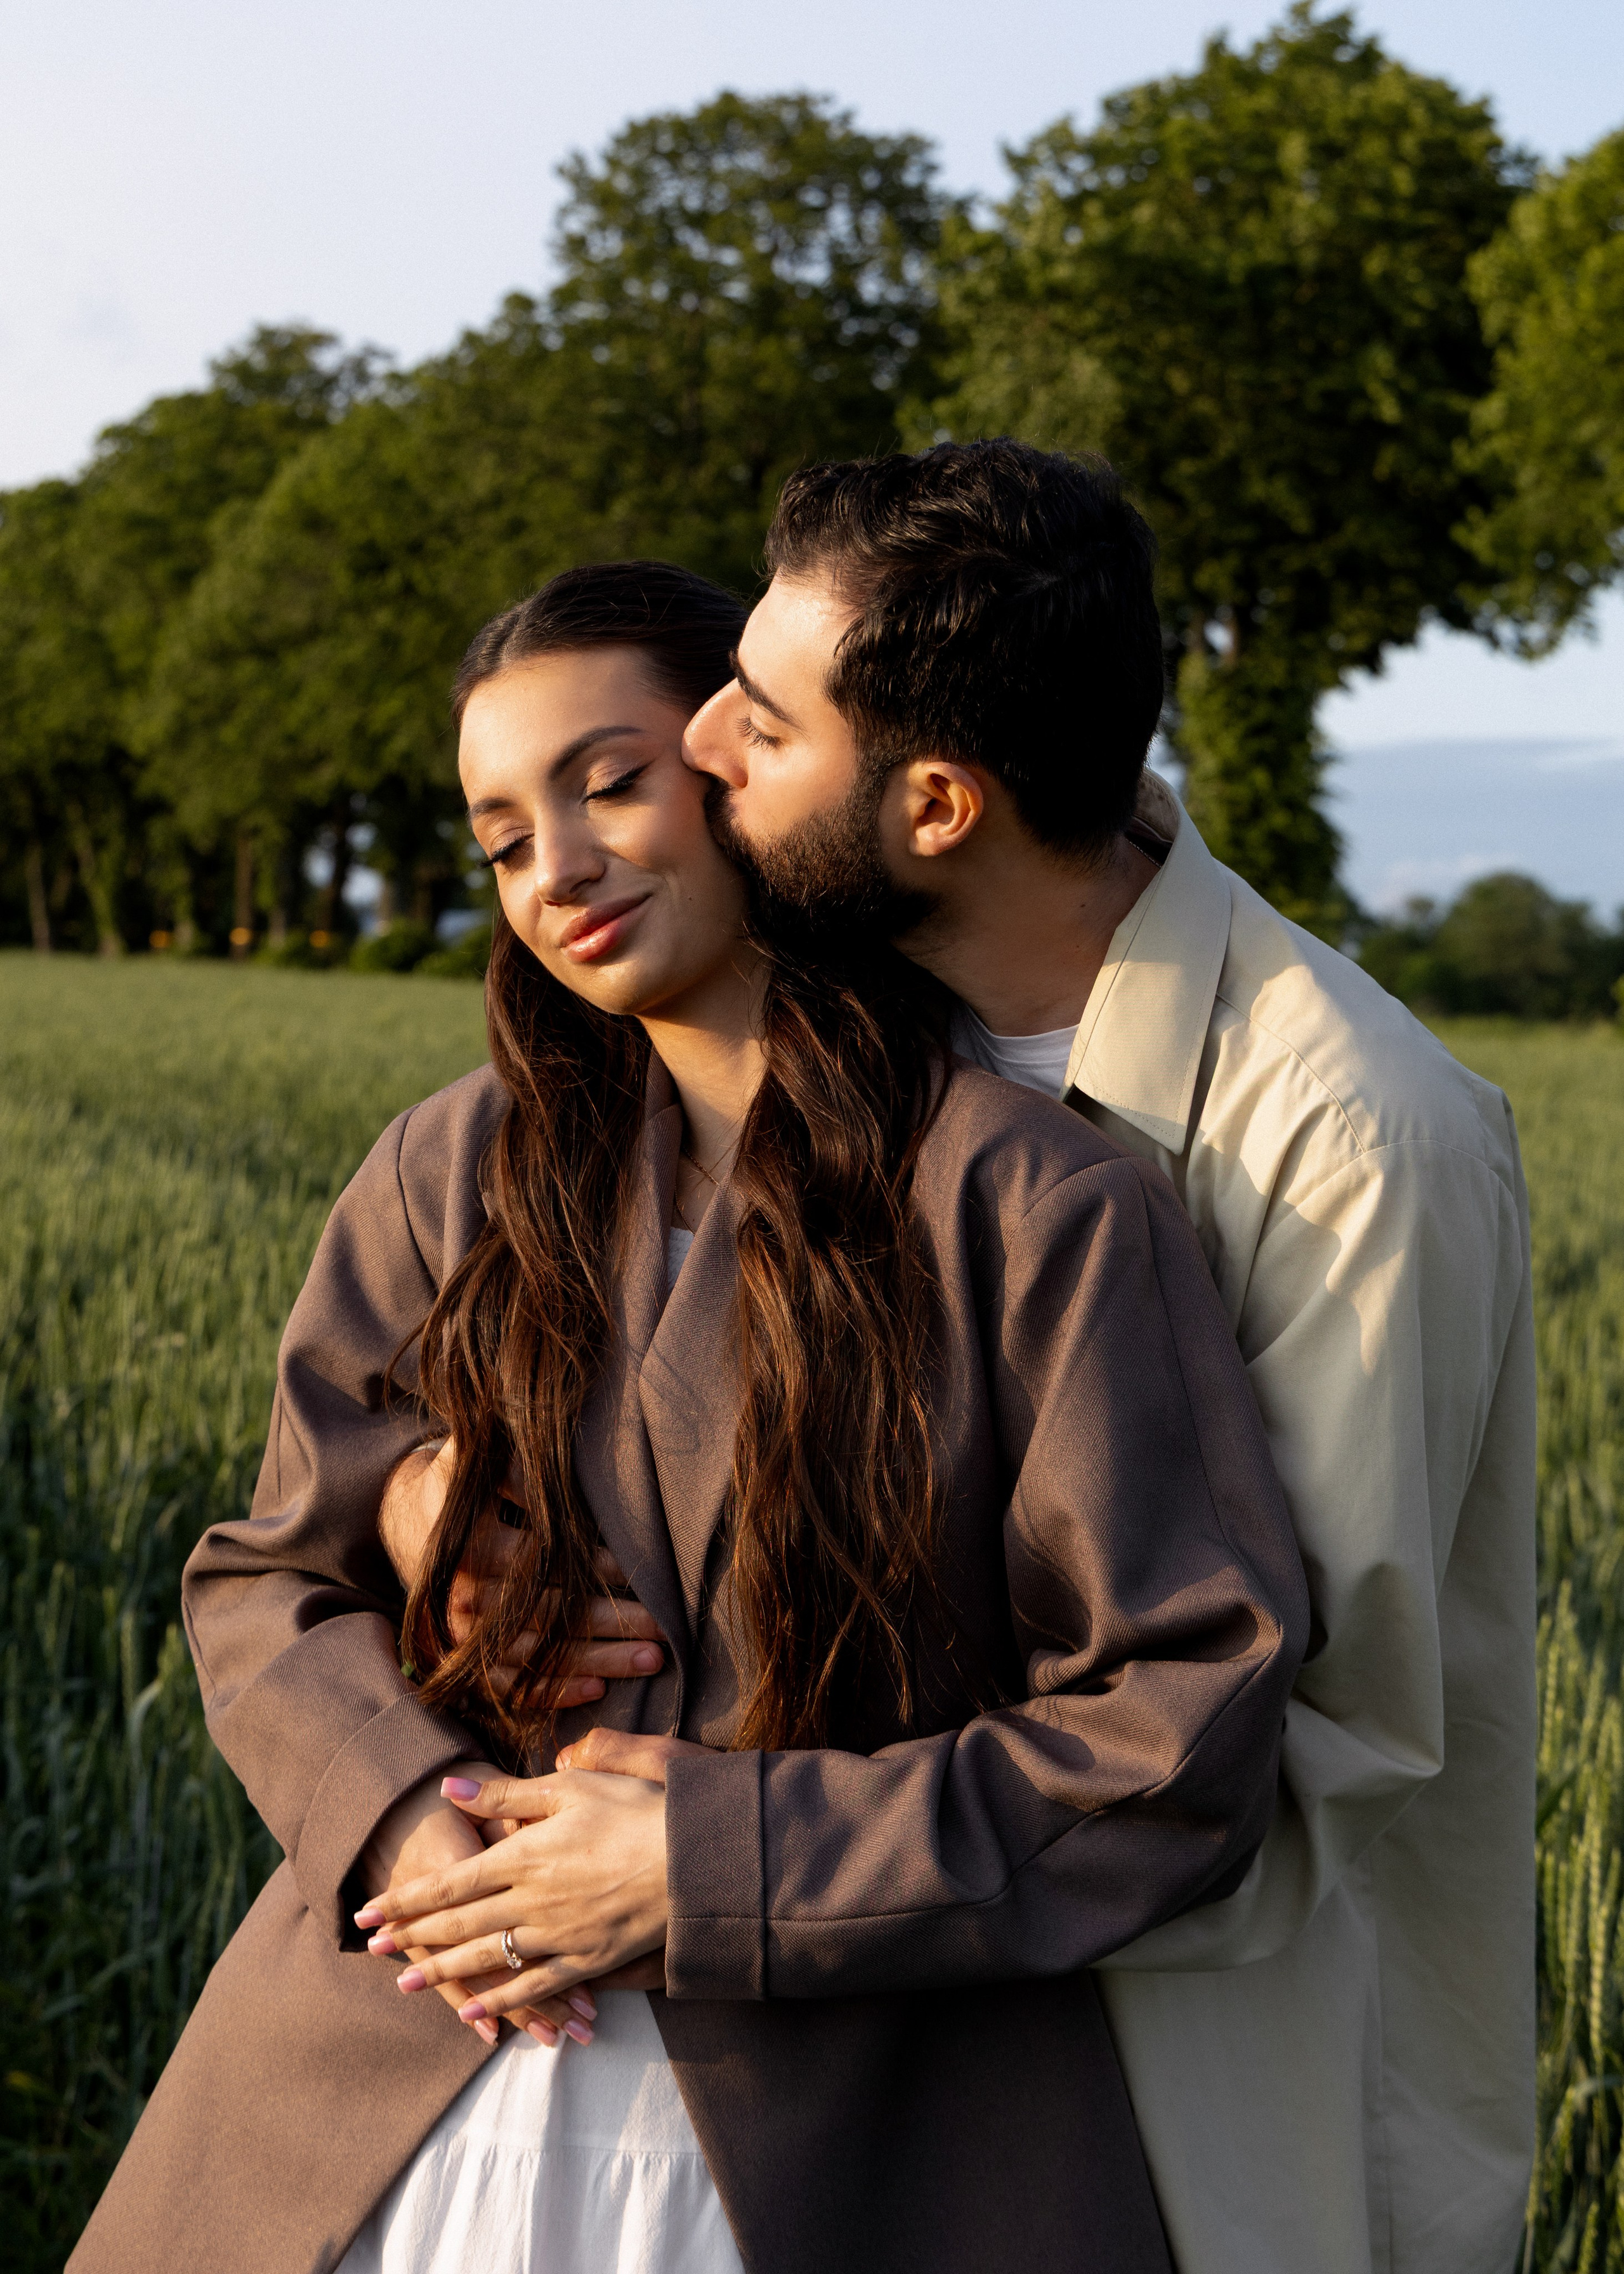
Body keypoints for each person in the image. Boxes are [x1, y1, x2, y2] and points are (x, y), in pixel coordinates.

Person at [70, 562, 1307, 2274]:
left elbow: (1185, 1721)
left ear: (739, 766)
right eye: (502, 836)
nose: (556, 869)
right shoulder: (447, 1172)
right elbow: (266, 1584)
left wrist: (716, 1867)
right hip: (394, 2051)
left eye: (607, 783)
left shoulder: (1037, 1206)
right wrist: (408, 1813)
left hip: (851, 2120)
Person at [643, 440, 1535, 2274]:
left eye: (763, 719)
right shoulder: (839, 1018)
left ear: (940, 806)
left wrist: (726, 1862)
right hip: (848, 2065)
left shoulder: (1357, 1142)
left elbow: (1298, 1753)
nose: (700, 749)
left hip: (1203, 2128)